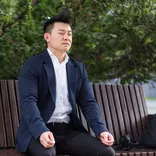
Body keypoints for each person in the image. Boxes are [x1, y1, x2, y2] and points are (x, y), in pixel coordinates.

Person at [16, 11, 115, 156]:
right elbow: (28, 102)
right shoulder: (33, 65)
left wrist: (101, 130)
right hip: (38, 131)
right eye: (61, 33)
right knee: (46, 154)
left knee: (107, 152)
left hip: (68, 131)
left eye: (69, 33)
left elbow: (88, 102)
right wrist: (41, 131)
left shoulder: (77, 68)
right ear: (47, 37)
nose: (66, 37)